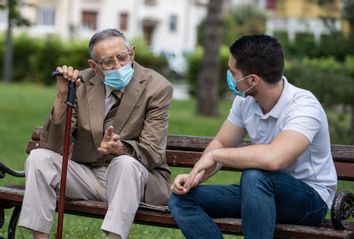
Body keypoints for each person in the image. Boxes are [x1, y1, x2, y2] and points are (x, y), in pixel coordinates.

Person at [168, 35, 337, 239]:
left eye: (233, 72)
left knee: (256, 174)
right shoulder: (245, 102)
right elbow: (222, 142)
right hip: (258, 192)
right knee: (182, 199)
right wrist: (194, 177)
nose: (229, 76)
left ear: (252, 80)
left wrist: (217, 156)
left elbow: (274, 158)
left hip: (309, 201)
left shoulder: (304, 106)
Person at [18, 28, 173, 239]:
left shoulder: (157, 86)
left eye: (122, 57)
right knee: (38, 157)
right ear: (95, 66)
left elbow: (153, 153)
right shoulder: (80, 83)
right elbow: (52, 146)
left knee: (124, 163)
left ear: (132, 54)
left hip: (136, 179)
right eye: (108, 62)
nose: (118, 66)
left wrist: (122, 148)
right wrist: (62, 97)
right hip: (89, 176)